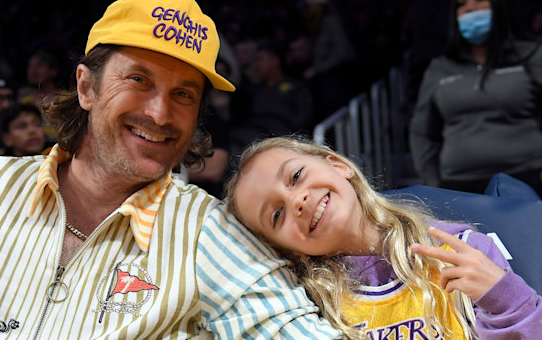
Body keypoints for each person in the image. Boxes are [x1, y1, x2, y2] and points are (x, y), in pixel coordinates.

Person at [0, 0, 343, 339]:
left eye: (183, 94)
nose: (159, 113)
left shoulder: (212, 233)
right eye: (138, 80)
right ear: (86, 87)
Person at [225, 135, 542, 339]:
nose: (297, 201)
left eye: (296, 177)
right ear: (290, 251)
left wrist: (507, 300)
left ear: (337, 164)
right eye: (277, 215)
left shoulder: (459, 249)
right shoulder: (309, 307)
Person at [409, 0, 542, 195]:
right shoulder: (440, 68)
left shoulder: (531, 56)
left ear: (500, 3)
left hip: (529, 180)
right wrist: (433, 184)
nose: (470, 8)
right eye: (461, 3)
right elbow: (422, 132)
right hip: (459, 186)